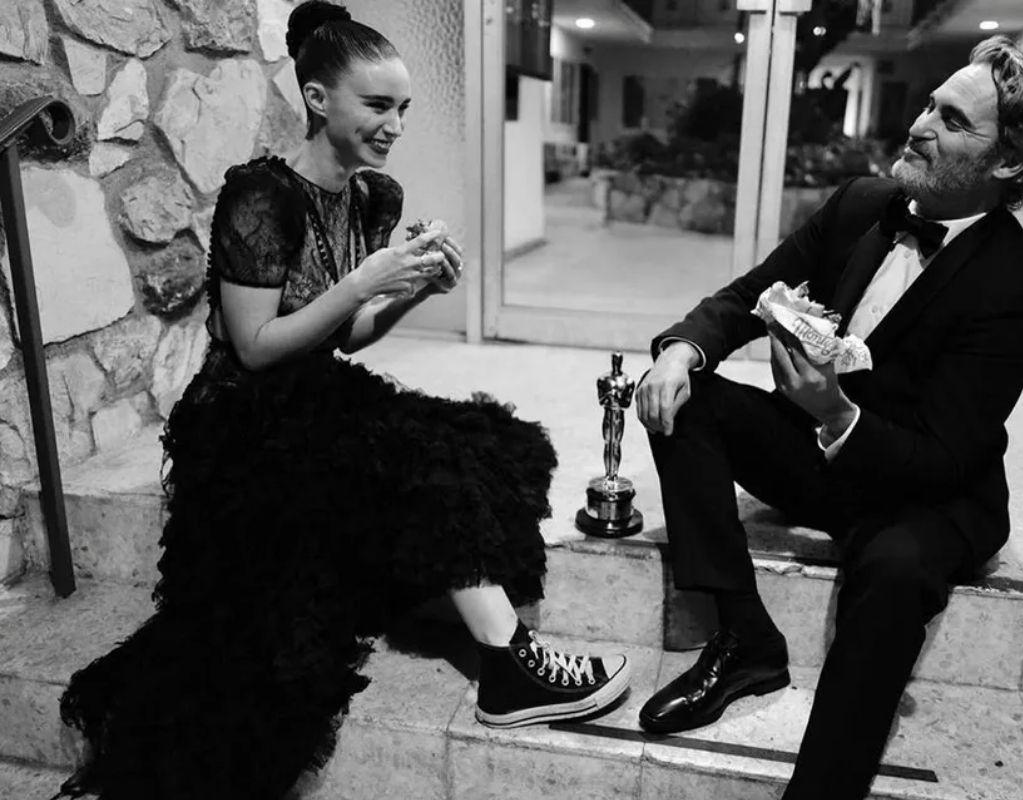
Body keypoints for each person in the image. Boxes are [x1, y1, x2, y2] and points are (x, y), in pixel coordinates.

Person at [55, 3, 630, 798]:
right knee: (414, 466)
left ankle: (494, 650)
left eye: (404, 108)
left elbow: (351, 337)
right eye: (378, 105)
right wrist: (365, 281)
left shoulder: (373, 197)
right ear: (319, 99)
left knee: (477, 442)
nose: (396, 126)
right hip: (244, 421)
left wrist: (411, 287)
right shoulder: (259, 196)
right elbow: (255, 346)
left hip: (320, 394)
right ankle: (509, 670)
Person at [635, 36, 1023, 799]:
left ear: (1008, 162)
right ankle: (745, 638)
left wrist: (835, 411)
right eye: (929, 105)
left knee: (895, 573)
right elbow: (745, 296)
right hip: (823, 451)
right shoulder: (862, 204)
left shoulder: (1016, 290)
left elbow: (946, 455)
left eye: (953, 121)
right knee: (686, 400)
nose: (920, 125)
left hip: (929, 491)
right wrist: (681, 352)